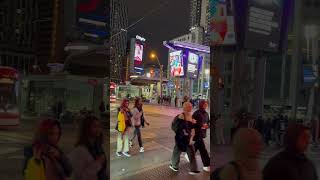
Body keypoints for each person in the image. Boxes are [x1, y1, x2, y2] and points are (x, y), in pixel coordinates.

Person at [68, 116, 107, 180]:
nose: (98, 129)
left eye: (99, 126)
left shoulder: (98, 146)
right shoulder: (80, 150)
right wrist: (98, 163)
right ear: (87, 129)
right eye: (95, 126)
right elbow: (80, 176)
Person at [170, 102, 199, 175]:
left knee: (182, 152)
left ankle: (193, 169)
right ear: (185, 107)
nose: (191, 107)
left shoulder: (190, 116)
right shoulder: (181, 116)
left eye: (191, 106)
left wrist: (192, 138)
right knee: (178, 152)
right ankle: (175, 166)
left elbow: (192, 129)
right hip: (181, 139)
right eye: (189, 106)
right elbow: (182, 127)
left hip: (185, 139)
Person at [192, 100, 211, 172]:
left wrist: (207, 126)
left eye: (206, 105)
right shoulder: (196, 113)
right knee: (203, 149)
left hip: (202, 133)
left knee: (197, 146)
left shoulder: (206, 114)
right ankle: (207, 164)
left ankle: (189, 154)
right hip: (197, 133)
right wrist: (201, 125)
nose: (206, 106)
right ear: (201, 105)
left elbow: (208, 122)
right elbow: (192, 123)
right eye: (204, 105)